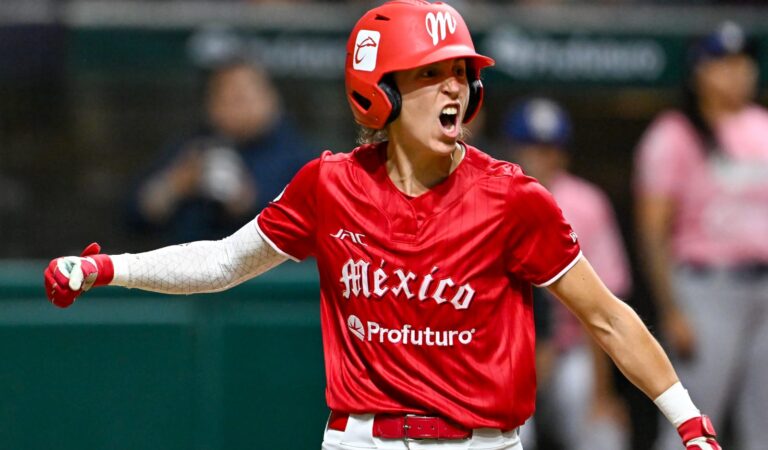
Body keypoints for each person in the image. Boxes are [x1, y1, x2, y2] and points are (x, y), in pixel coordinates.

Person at [45, 2, 720, 449]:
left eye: (462, 73)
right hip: (360, 438)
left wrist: (689, 423)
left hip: (479, 443)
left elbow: (605, 316)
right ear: (381, 92)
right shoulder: (329, 185)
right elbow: (223, 263)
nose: (456, 87)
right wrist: (110, 268)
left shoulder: (513, 198)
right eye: (432, 74)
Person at [634, 21, 768, 450]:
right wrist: (670, 308)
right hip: (707, 288)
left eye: (743, 62)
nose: (737, 72)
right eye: (723, 63)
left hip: (764, 288)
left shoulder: (762, 125)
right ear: (699, 71)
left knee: (762, 422)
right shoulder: (674, 133)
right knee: (691, 422)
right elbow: (652, 232)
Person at [504, 98, 631, 450]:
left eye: (551, 148)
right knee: (506, 435)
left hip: (570, 347)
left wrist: (602, 394)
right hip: (506, 353)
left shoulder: (587, 202)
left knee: (603, 433)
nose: (543, 157)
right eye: (533, 146)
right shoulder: (490, 196)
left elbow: (603, 305)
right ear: (513, 148)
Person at [128, 59, 309, 243]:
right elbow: (134, 215)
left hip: (271, 267)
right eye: (223, 97)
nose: (234, 108)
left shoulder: (296, 155)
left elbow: (306, 226)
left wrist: (248, 200)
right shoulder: (194, 146)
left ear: (270, 98)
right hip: (193, 262)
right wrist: (175, 185)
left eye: (241, 97)